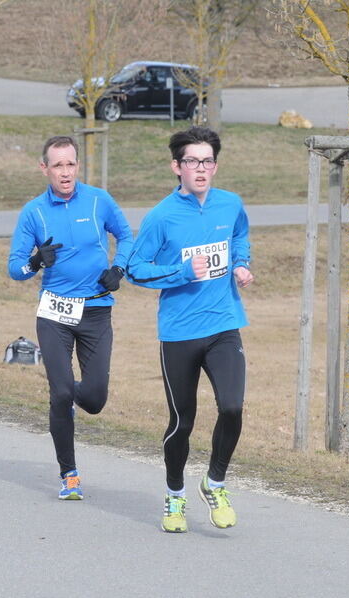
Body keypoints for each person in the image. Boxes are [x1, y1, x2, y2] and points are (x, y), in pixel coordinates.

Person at [126, 126, 254, 533]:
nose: (201, 168)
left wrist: (240, 264)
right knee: (183, 421)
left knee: (232, 407)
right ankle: (175, 495)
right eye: (192, 161)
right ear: (176, 167)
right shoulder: (161, 217)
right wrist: (181, 272)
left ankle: (214, 483)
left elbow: (240, 237)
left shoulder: (231, 205)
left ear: (215, 165)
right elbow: (136, 269)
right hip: (179, 332)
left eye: (207, 161)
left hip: (223, 325)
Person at [7, 135, 133, 501]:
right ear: (44, 168)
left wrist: (118, 269)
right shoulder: (34, 212)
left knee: (93, 399)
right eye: (58, 165)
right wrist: (34, 262)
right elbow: (15, 268)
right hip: (55, 313)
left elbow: (126, 235)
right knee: (61, 392)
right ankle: (69, 474)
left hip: (95, 310)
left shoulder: (98, 200)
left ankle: (68, 402)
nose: (65, 172)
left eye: (71, 164)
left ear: (78, 166)